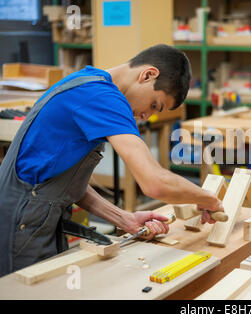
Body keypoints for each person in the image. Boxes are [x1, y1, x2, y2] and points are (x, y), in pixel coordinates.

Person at [0, 44, 224, 277]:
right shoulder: (102, 97)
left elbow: (59, 182)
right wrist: (208, 199)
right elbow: (154, 182)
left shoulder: (87, 80)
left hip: (30, 215)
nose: (147, 116)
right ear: (148, 75)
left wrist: (123, 218)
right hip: (20, 222)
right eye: (154, 105)